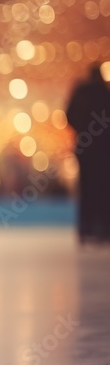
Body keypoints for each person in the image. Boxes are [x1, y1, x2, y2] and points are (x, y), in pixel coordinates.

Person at [65, 63, 110, 245]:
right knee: (104, 189)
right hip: (104, 151)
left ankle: (86, 229)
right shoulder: (105, 94)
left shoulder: (81, 94)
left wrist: (83, 133)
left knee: (86, 188)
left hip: (84, 148)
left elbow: (68, 115)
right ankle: (103, 229)